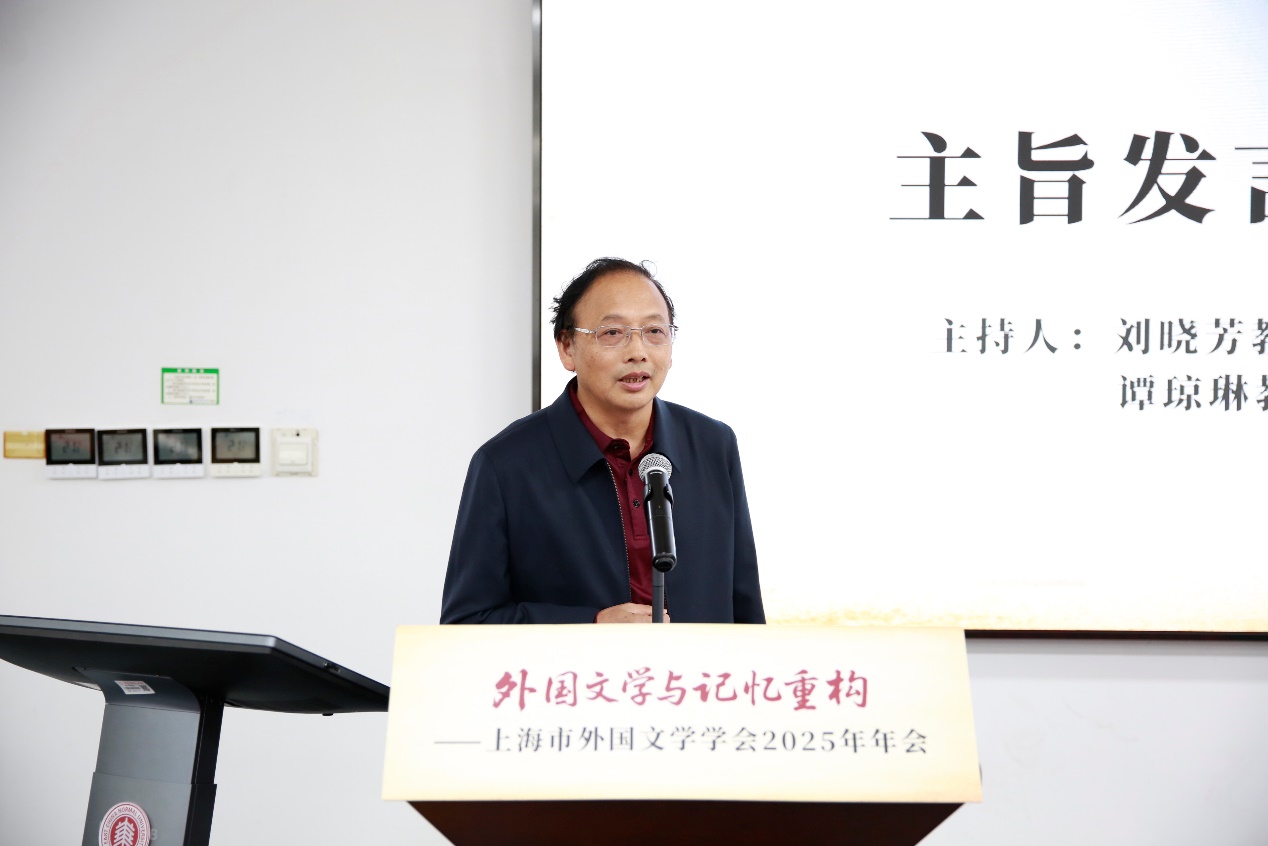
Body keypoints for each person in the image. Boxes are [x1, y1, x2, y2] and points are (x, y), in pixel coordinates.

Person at [440, 258, 764, 624]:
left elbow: (745, 612)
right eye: (612, 333)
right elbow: (467, 621)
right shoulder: (506, 465)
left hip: (696, 665)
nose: (638, 351)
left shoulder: (713, 445)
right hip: (576, 665)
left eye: (654, 331)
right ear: (567, 347)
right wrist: (591, 625)